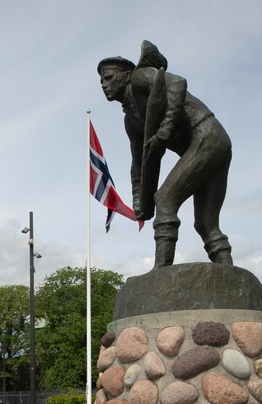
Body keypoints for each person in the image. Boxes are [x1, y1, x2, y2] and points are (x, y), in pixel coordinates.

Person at [98, 41, 233, 268]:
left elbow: (177, 83)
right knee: (205, 224)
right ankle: (229, 276)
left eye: (109, 77)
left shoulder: (141, 77)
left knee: (165, 199)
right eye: (101, 80)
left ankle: (161, 270)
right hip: (210, 146)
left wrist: (164, 130)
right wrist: (139, 200)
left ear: (126, 75)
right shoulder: (131, 120)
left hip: (206, 136)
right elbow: (139, 163)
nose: (104, 84)